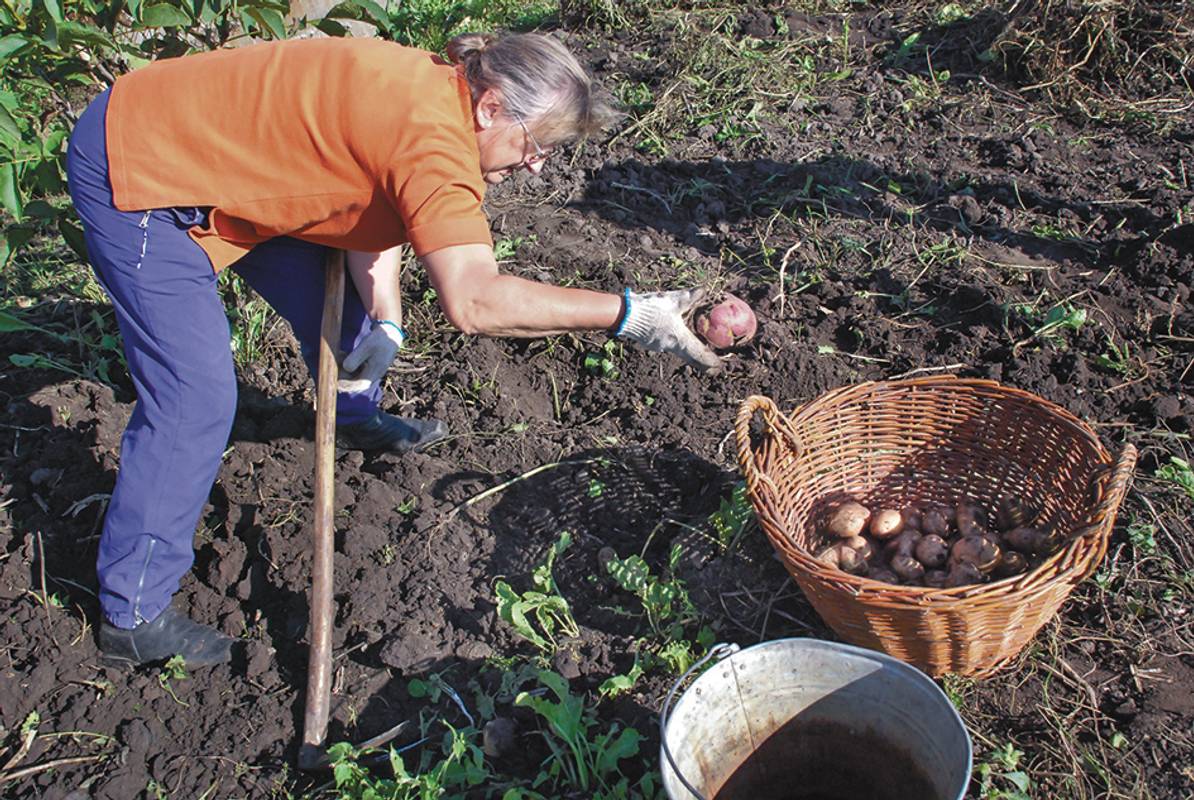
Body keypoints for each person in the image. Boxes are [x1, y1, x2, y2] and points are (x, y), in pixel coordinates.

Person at [65, 31, 720, 669]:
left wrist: (389, 322)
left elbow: (368, 202)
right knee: (195, 400)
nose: (537, 164)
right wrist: (631, 315)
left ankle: (352, 420)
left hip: (219, 162)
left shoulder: (433, 93)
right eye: (537, 145)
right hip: (143, 170)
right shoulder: (433, 144)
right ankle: (132, 615)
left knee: (350, 316)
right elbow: (476, 301)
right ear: (491, 107)